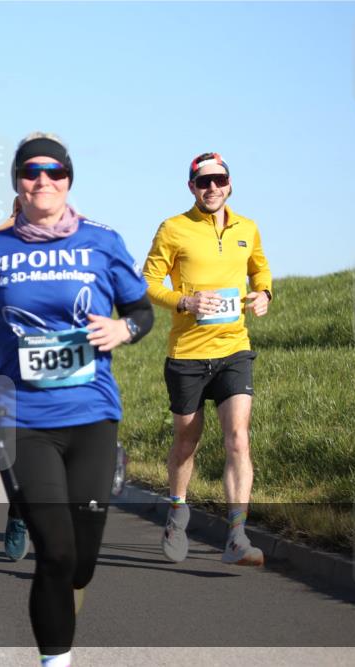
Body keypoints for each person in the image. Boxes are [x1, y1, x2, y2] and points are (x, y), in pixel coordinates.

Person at [0, 132, 153, 667]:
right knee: (56, 551)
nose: (42, 180)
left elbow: (142, 312)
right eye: (31, 172)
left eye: (53, 171)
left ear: (68, 180)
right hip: (22, 418)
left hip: (93, 412)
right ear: (17, 184)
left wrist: (124, 331)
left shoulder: (102, 241)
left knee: (82, 562)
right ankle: (56, 661)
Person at [142, 151, 272, 567]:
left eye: (219, 180)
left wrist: (264, 294)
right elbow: (147, 281)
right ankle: (177, 513)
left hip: (234, 347)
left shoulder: (246, 228)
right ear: (192, 187)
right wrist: (184, 300)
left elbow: (260, 269)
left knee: (238, 438)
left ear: (230, 184)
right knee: (187, 441)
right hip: (187, 354)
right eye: (203, 182)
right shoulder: (174, 228)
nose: (212, 188)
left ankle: (236, 535)